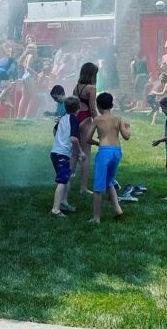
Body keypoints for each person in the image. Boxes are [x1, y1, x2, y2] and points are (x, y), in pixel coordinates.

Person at [88, 91, 130, 224]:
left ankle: (96, 218)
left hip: (104, 152)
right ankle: (118, 210)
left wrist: (97, 142)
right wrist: (127, 128)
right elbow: (126, 136)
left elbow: (87, 138)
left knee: (98, 187)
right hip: (116, 152)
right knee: (109, 181)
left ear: (98, 106)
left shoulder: (97, 120)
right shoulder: (118, 118)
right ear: (111, 105)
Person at [50, 94, 80, 216]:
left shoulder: (63, 117)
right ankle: (55, 210)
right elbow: (73, 138)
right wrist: (80, 152)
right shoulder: (74, 119)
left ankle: (63, 202)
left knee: (67, 177)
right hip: (61, 154)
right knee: (62, 181)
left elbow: (55, 130)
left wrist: (59, 140)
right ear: (79, 108)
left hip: (55, 152)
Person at [73, 62, 100, 196]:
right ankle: (83, 187)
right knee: (86, 154)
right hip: (86, 119)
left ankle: (68, 182)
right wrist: (100, 125)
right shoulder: (91, 88)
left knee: (75, 153)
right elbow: (93, 109)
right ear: (92, 74)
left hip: (76, 118)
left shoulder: (76, 87)